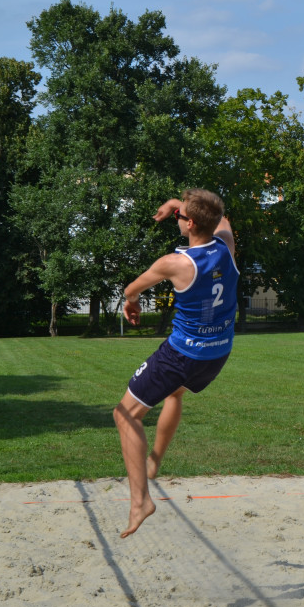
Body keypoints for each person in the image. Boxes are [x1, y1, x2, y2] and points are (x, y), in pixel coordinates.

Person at [113, 188, 239, 538]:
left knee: (125, 415)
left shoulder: (175, 263)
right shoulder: (226, 247)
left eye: (181, 217)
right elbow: (222, 218)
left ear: (190, 223)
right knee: (174, 395)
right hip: (217, 353)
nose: (177, 219)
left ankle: (140, 501)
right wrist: (178, 206)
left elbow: (130, 289)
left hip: (183, 353)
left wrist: (132, 302)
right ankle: (154, 460)